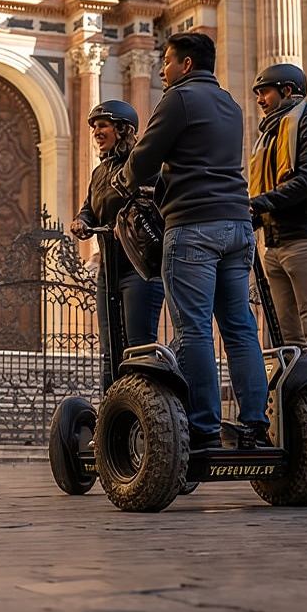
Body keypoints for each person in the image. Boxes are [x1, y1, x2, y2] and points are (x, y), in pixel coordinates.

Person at [117, 32, 269, 451]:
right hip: (237, 226)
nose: (162, 70)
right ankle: (255, 423)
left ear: (185, 64)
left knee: (195, 328)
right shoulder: (232, 105)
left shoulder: (179, 99)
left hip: (194, 226)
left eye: (165, 62)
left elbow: (146, 155)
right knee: (240, 328)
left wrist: (124, 179)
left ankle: (203, 427)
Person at [248, 63, 307, 388]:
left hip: (306, 238)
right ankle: (304, 405)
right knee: (286, 335)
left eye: (265, 91)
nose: (260, 99)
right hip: (274, 242)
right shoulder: (270, 136)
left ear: (287, 91)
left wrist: (257, 204)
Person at [70, 100, 164, 389]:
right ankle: (112, 414)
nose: (97, 131)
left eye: (103, 125)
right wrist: (82, 221)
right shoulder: (99, 172)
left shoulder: (142, 166)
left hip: (140, 268)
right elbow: (89, 207)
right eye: (94, 126)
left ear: (123, 130)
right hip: (108, 269)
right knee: (110, 349)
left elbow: (156, 203)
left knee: (138, 346)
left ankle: (147, 410)